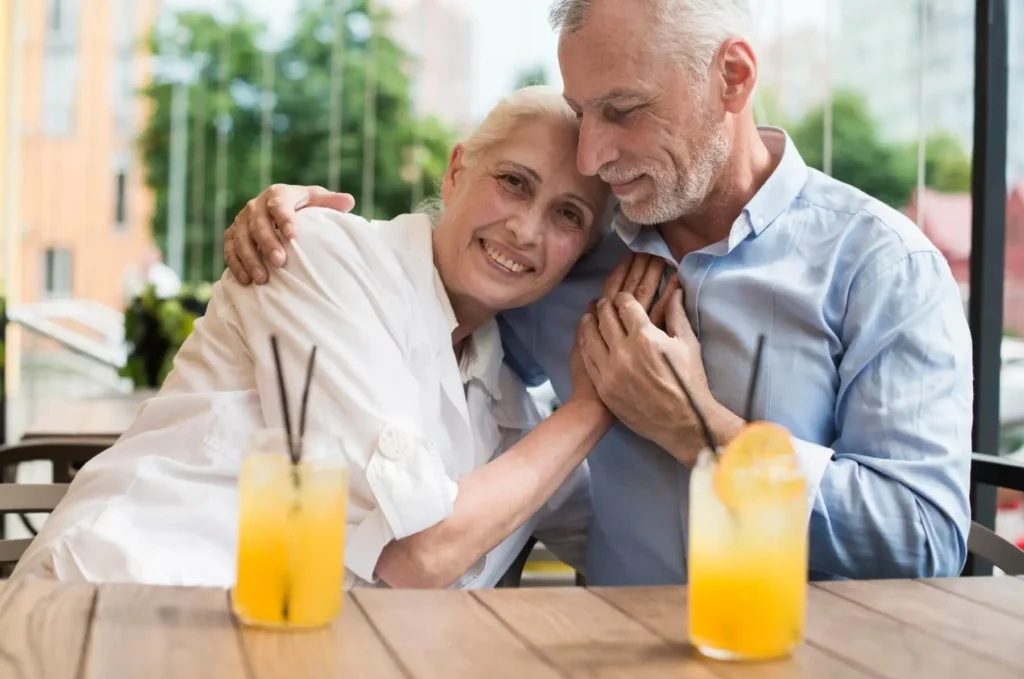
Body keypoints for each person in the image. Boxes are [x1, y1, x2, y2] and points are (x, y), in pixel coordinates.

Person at [224, 0, 974, 584]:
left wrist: (697, 429)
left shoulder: (879, 266)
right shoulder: (564, 252)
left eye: (623, 110)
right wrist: (294, 218)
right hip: (592, 655)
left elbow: (923, 539)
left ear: (733, 78)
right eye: (582, 113)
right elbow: (433, 296)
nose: (591, 154)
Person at [13, 86, 665, 589]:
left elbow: (641, 546)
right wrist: (596, 401)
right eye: (514, 182)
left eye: (567, 215)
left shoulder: (508, 406)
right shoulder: (318, 253)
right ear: (457, 170)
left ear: (580, 250)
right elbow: (420, 551)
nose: (526, 228)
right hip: (116, 603)